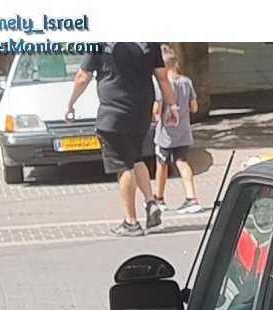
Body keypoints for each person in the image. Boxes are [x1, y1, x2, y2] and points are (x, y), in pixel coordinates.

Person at [67, 42, 177, 237]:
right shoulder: (148, 41)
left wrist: (70, 103)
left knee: (123, 165)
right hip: (141, 112)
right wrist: (173, 106)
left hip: (113, 114)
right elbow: (162, 77)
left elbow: (83, 76)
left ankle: (131, 222)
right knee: (135, 157)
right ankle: (151, 202)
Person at [150, 46, 202, 215]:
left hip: (165, 134)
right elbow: (194, 107)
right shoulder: (187, 82)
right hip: (183, 131)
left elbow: (157, 108)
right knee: (182, 162)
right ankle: (192, 197)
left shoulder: (161, 84)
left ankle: (159, 198)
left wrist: (154, 114)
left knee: (162, 163)